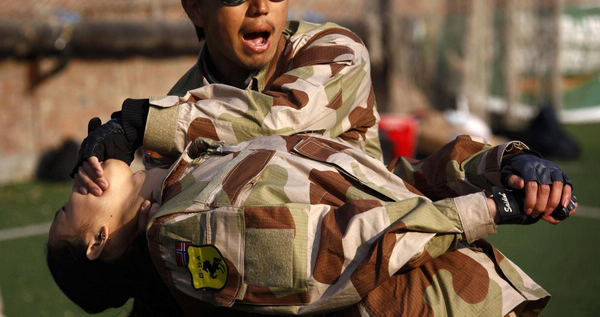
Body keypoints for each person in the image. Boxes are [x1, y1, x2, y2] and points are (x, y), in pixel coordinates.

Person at [48, 133, 576, 316]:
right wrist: (489, 208)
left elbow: (394, 180)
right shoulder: (177, 235)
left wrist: (501, 162)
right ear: (97, 243)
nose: (74, 183)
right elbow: (341, 251)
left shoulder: (186, 176)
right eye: (64, 211)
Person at [72, 0, 382, 197]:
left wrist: (141, 122)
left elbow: (284, 118)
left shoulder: (336, 51)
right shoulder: (178, 105)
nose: (261, 6)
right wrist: (106, 176)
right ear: (195, 9)